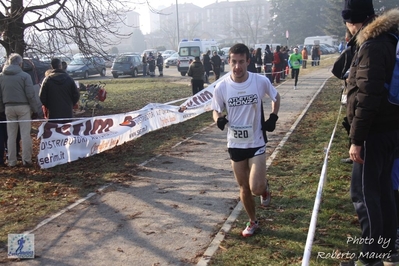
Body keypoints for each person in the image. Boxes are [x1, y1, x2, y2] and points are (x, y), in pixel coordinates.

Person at [339, 2, 399, 265]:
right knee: (383, 189)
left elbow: (367, 98)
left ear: (352, 22)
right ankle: (387, 249)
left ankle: (370, 256)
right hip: (391, 130)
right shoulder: (388, 40)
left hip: (374, 133)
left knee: (363, 194)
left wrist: (357, 139)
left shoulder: (372, 46)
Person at [211, 43, 281, 237]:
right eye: (234, 62)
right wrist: (219, 119)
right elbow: (215, 109)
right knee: (244, 188)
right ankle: (253, 221)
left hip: (256, 141)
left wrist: (273, 117)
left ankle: (265, 188)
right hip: (235, 144)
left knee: (256, 187)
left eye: (241, 62)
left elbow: (276, 97)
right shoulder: (222, 86)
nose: (237, 67)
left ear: (248, 61)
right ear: (229, 62)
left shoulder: (259, 81)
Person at [0, 53, 39, 167]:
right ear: (20, 63)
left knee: (11, 135)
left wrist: (2, 108)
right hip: (23, 107)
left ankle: (11, 160)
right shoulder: (25, 76)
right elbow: (30, 94)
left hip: (8, 107)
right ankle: (26, 160)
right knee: (25, 134)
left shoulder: (2, 76)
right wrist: (34, 109)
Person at [39, 58, 80, 124]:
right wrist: (70, 104)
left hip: (53, 112)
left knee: (55, 131)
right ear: (60, 66)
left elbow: (42, 96)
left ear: (52, 67)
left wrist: (49, 105)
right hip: (67, 112)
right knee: (67, 131)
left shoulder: (47, 80)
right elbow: (76, 95)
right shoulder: (69, 79)